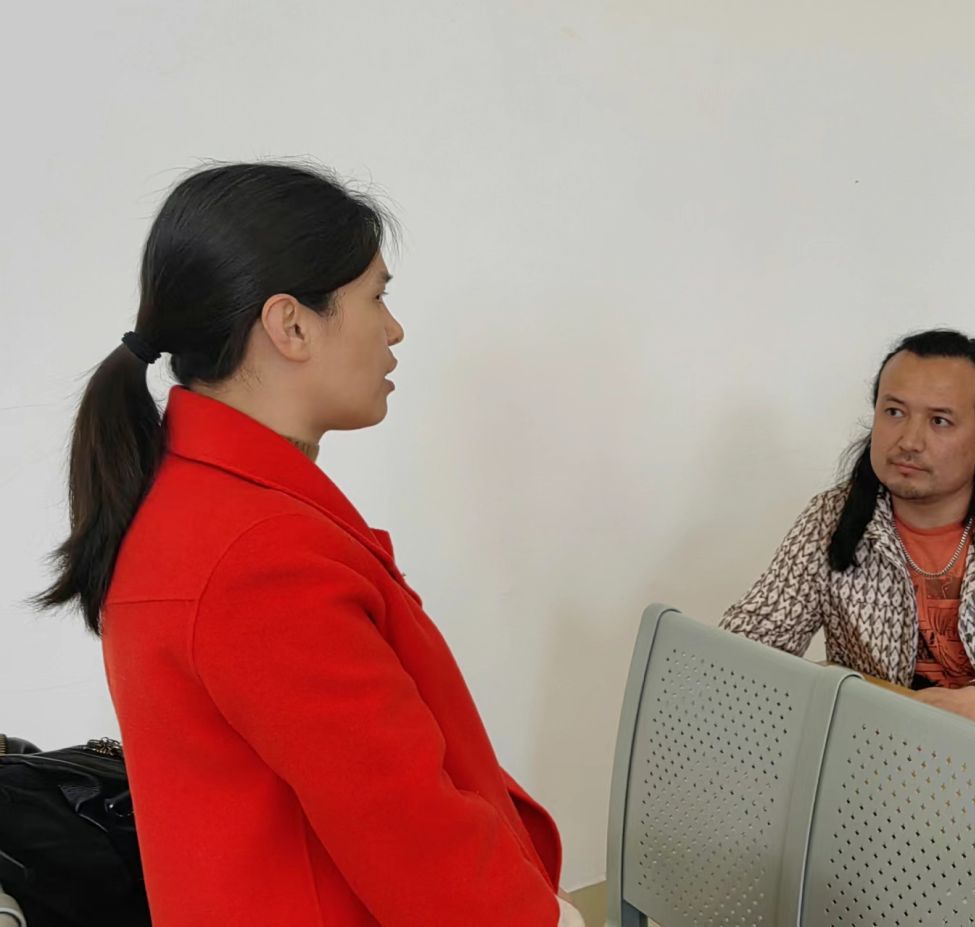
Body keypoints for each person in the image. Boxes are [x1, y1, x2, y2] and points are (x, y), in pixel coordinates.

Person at [36, 164, 577, 925]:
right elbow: (412, 836)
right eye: (377, 296)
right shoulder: (259, 558)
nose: (394, 329)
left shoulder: (198, 501)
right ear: (291, 325)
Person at [723, 329, 975, 757]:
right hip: (887, 753)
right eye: (894, 412)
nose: (909, 441)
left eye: (939, 421)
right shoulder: (832, 517)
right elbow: (750, 640)